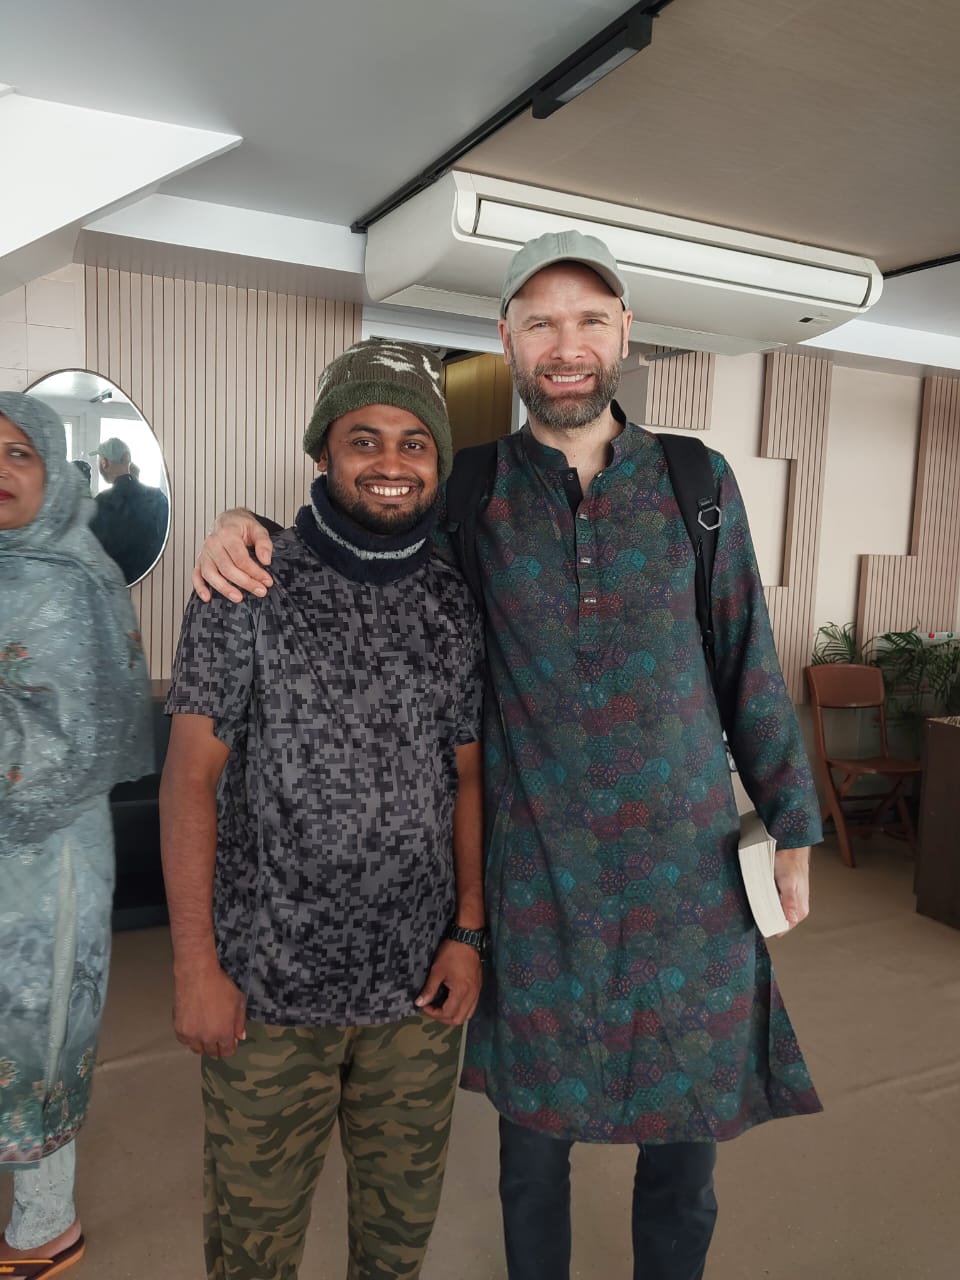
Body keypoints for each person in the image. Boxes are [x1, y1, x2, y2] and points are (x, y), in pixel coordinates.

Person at [192, 232, 824, 1280]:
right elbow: (363, 531)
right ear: (507, 341)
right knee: (532, 1153)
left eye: (587, 319)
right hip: (538, 887)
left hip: (689, 879)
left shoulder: (693, 479)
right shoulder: (471, 487)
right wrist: (242, 525)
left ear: (623, 332)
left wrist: (792, 827)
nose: (564, 344)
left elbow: (747, 656)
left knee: (685, 1154)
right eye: (539, 322)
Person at [159, 339, 485, 1280]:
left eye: (415, 443)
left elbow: (468, 778)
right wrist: (195, 968)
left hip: (413, 1002)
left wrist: (469, 930)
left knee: (396, 1250)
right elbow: (189, 780)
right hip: (269, 995)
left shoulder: (452, 608)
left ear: (438, 463)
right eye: (364, 439)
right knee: (253, 1253)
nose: (391, 464)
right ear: (323, 455)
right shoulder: (250, 583)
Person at [0, 394, 153, 1278]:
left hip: (45, 852)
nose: (1, 472)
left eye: (19, 453)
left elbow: (77, 740)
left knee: (35, 1022)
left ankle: (45, 1226)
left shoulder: (71, 576)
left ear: (55, 470)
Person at [88, 437, 168, 582]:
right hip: (155, 580)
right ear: (127, 459)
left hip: (113, 584)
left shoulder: (101, 503)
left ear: (104, 463)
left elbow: (92, 553)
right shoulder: (156, 497)